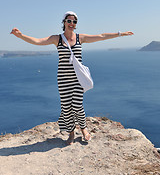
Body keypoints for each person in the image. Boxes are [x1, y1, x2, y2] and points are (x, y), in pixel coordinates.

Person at [10, 11, 134, 145]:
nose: (72, 24)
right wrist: (20, 35)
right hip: (63, 79)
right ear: (63, 22)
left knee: (77, 105)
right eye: (69, 21)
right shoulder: (56, 38)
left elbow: (101, 36)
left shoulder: (81, 38)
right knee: (66, 107)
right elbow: (37, 41)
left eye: (74, 22)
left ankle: (84, 128)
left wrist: (120, 33)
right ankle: (71, 134)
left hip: (78, 78)